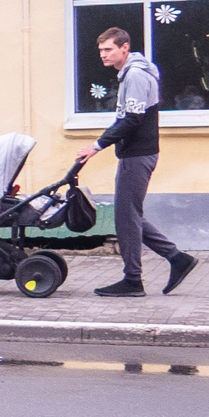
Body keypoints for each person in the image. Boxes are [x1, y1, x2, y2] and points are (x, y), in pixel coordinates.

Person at [73, 25, 198, 296]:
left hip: (138, 154)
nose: (103, 55)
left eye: (108, 49)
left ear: (124, 48)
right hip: (135, 153)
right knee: (129, 215)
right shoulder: (128, 74)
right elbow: (126, 117)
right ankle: (178, 259)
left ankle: (133, 280)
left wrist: (96, 146)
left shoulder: (137, 76)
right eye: (101, 50)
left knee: (126, 218)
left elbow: (131, 119)